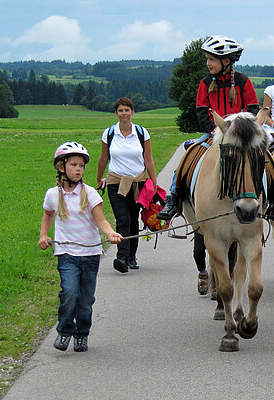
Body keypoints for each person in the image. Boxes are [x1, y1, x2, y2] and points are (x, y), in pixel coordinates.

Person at [157, 35, 274, 222]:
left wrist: (243, 129)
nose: (208, 63)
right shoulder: (205, 83)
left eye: (211, 59)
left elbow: (252, 108)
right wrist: (213, 129)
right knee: (189, 155)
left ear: (226, 61)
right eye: (207, 59)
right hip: (214, 132)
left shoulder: (244, 81)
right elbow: (201, 110)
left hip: (241, 135)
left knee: (264, 159)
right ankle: (174, 197)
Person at [39, 142, 124, 352]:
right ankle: (65, 330)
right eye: (74, 165)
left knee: (85, 300)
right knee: (69, 293)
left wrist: (110, 233)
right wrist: (43, 235)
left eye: (81, 165)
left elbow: (101, 220)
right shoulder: (52, 195)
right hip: (66, 254)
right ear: (61, 167)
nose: (79, 169)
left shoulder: (90, 193)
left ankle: (82, 334)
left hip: (90, 254)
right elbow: (48, 214)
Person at [96, 97, 158, 273]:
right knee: (123, 219)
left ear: (132, 112)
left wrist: (153, 182)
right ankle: (121, 257)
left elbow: (148, 159)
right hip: (116, 182)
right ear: (116, 113)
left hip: (138, 183)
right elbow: (103, 159)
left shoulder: (141, 132)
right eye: (120, 110)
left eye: (127, 110)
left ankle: (132, 256)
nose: (124, 113)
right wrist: (99, 178)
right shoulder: (109, 133)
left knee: (133, 220)